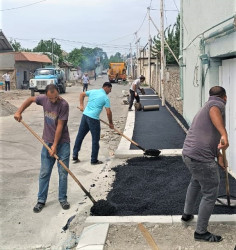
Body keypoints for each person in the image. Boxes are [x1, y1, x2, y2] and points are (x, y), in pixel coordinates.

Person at [182, 86, 228, 242]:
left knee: (196, 181)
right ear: (225, 97)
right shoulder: (217, 104)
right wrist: (224, 134)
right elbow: (215, 111)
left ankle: (187, 214)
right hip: (200, 157)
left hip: (189, 153)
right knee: (210, 192)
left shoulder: (205, 105)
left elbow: (210, 137)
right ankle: (200, 232)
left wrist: (219, 155)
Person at [14, 84, 70, 213]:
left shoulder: (64, 105)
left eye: (55, 97)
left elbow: (60, 127)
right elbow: (30, 100)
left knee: (63, 173)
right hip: (47, 143)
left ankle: (62, 199)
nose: (53, 100)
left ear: (58, 93)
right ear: (46, 95)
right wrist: (19, 111)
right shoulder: (43, 99)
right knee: (44, 172)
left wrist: (55, 146)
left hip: (63, 143)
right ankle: (41, 200)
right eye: (51, 99)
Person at [73, 82, 114, 164]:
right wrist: (111, 123)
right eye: (110, 89)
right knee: (95, 139)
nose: (110, 91)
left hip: (85, 116)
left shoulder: (93, 91)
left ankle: (75, 155)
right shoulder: (105, 98)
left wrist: (81, 105)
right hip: (93, 119)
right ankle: (94, 160)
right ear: (106, 87)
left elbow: (82, 94)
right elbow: (108, 112)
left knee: (80, 136)